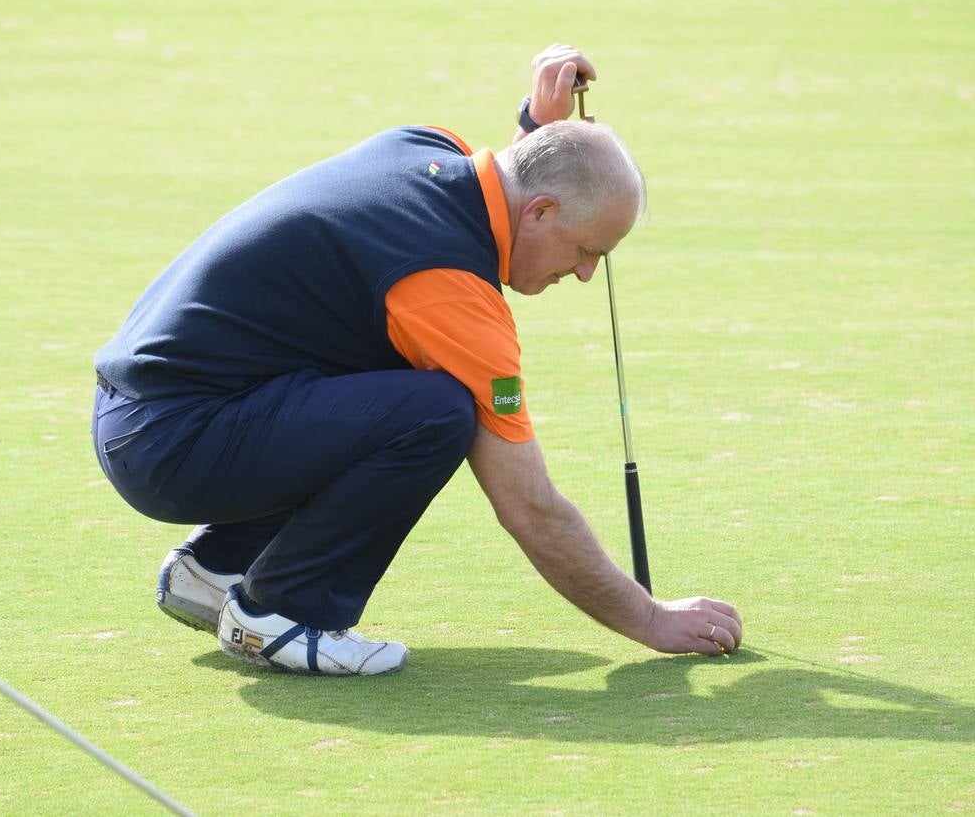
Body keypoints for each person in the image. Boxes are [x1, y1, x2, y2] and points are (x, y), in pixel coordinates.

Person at [92, 44, 743, 676]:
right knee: (435, 411)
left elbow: (519, 177)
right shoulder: (448, 289)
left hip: (151, 414)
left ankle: (217, 572)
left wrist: (536, 128)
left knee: (387, 364)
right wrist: (649, 619)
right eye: (587, 250)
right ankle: (282, 615)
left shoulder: (429, 146)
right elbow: (530, 506)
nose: (583, 274)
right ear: (541, 211)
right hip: (172, 447)